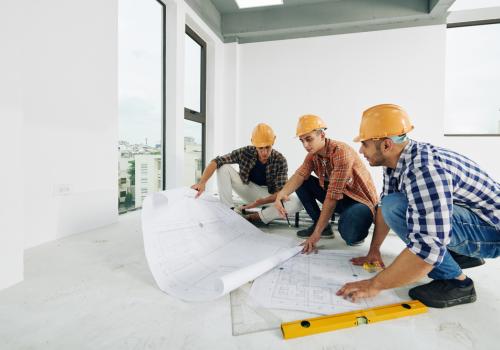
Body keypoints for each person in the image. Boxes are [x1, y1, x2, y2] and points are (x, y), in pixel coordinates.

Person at [337, 103, 500, 308]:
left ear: (387, 145)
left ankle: (457, 283)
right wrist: (374, 251)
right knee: (391, 204)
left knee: (401, 209)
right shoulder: (396, 162)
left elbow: (428, 244)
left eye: (365, 144)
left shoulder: (424, 170)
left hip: (493, 231)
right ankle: (458, 255)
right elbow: (384, 209)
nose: (360, 150)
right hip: (477, 218)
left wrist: (374, 285)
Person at [274, 114, 379, 248]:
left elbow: (332, 196)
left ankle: (353, 225)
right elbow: (300, 175)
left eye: (309, 139)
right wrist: (281, 194)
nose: (305, 145)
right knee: (303, 183)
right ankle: (323, 227)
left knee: (350, 236)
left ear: (322, 135)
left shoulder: (341, 152)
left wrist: (315, 235)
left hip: (359, 201)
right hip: (340, 199)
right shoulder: (313, 155)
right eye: (302, 141)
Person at [191, 123, 303, 224]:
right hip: (247, 189)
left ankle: (255, 217)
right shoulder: (246, 152)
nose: (264, 152)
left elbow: (281, 193)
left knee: (297, 202)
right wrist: (202, 182)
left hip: (269, 196)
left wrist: (260, 202)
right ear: (253, 143)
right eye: (260, 148)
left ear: (273, 141)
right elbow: (216, 161)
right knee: (223, 167)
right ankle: (228, 211)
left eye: (267, 147)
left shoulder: (280, 160)